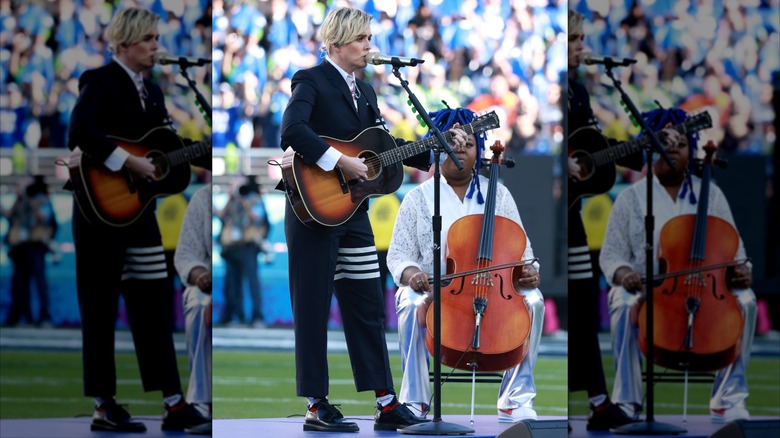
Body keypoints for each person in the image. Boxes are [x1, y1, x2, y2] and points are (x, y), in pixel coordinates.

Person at [279, 6, 468, 433]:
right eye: (362, 39)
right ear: (339, 42)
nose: (370, 46)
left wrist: (437, 146)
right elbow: (292, 130)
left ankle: (386, 401)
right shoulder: (310, 79)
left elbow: (382, 147)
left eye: (369, 38)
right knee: (312, 308)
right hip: (313, 212)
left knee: (367, 306)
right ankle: (315, 404)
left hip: (353, 212)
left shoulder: (366, 91)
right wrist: (340, 161)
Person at [66, 7, 208, 433]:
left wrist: (188, 156)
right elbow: (80, 131)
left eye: (156, 38)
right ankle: (103, 405)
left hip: (139, 214)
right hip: (98, 216)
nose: (156, 47)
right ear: (125, 43)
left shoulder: (154, 91)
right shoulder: (100, 80)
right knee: (99, 309)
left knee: (153, 307)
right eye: (148, 39)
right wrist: (130, 161)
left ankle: (173, 402)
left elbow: (161, 154)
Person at [386, 106, 544, 423]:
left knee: (534, 301)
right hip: (437, 290)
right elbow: (398, 254)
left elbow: (523, 251)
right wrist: (412, 273)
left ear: (479, 151)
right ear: (434, 148)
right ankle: (415, 399)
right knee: (408, 300)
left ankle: (515, 397)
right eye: (449, 143)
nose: (459, 149)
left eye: (468, 144)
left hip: (491, 289)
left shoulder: (498, 194)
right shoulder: (417, 197)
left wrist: (528, 273)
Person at [600, 107, 757, 424]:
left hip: (705, 289)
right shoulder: (630, 198)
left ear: (693, 149)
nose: (671, 148)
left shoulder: (710, 194)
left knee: (746, 300)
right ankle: (627, 399)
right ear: (648, 148)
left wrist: (741, 270)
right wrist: (625, 273)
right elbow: (611, 255)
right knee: (620, 300)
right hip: (647, 290)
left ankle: (728, 397)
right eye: (663, 143)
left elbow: (735, 251)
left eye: (680, 144)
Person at [567, 9, 649, 431]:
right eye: (576, 39)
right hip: (546, 219)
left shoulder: (578, 91)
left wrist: (637, 150)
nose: (583, 47)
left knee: (583, 308)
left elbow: (591, 150)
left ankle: (599, 403)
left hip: (572, 218)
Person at [174, 184, 213, 435]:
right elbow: (187, 253)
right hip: (209, 280)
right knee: (198, 301)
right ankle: (202, 402)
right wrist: (200, 276)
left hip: (231, 276)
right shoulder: (203, 197)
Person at [3, 175, 57, 327]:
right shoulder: (18, 201)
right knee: (20, 284)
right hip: (19, 246)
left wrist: (32, 201)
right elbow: (9, 216)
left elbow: (44, 218)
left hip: (36, 245)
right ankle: (24, 316)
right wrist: (19, 197)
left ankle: (44, 317)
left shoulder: (41, 199)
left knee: (40, 283)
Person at [216, 177, 270, 327]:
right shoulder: (231, 201)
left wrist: (246, 204)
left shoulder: (254, 199)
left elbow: (257, 218)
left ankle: (257, 317)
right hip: (232, 246)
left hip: (248, 245)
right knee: (233, 283)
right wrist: (230, 196)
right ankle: (237, 316)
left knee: (253, 282)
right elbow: (221, 215)